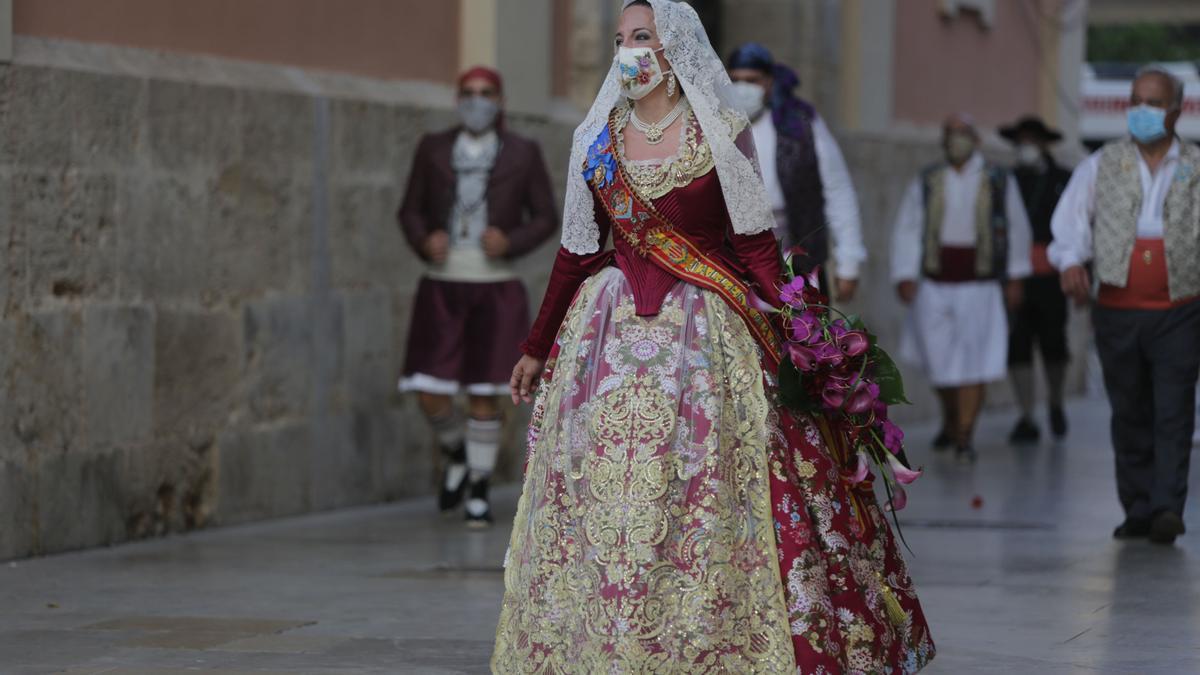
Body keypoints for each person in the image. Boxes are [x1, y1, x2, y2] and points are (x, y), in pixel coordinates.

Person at [492, 1, 934, 671]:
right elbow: (576, 255)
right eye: (619, 40)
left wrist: (801, 334)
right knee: (608, 488)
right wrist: (534, 344)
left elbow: (757, 248)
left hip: (704, 339)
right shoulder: (595, 141)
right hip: (607, 339)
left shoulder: (721, 132)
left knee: (700, 485)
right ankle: (602, 632)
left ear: (675, 50)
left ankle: (703, 634)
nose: (627, 52)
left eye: (641, 38)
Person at [397, 66, 557, 528]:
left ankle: (479, 489)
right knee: (429, 387)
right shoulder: (433, 148)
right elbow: (408, 209)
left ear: (500, 100)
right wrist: (424, 239)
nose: (476, 101)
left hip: (496, 284)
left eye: (485, 93)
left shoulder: (523, 153)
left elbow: (545, 216)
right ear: (456, 99)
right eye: (467, 93)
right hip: (442, 280)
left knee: (485, 391)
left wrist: (511, 240)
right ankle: (457, 454)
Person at [1049, 65, 1200, 546]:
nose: (1141, 110)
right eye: (1135, 100)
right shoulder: (1101, 163)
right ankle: (1137, 507)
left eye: (1152, 103)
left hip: (1180, 308)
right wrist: (1071, 262)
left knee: (1174, 409)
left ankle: (1166, 509)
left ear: (1176, 111)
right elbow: (1070, 222)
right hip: (1116, 306)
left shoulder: (1196, 166)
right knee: (1129, 408)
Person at [890, 114, 1033, 462]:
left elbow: (1016, 228)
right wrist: (905, 272)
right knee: (938, 360)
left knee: (974, 361)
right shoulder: (929, 180)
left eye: (962, 134)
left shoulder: (998, 180)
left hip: (980, 285)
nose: (956, 141)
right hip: (935, 283)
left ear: (976, 140)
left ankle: (965, 433)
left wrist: (1015, 276)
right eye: (949, 134)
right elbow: (909, 227)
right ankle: (951, 417)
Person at [725, 43, 867, 302]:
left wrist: (849, 262)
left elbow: (838, 192)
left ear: (769, 82)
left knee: (802, 337)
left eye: (751, 80)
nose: (742, 88)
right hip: (733, 263)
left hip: (796, 260)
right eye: (734, 80)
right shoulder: (716, 126)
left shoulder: (800, 126)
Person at [998, 115, 1073, 444]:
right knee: (1018, 345)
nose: (1025, 147)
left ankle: (1055, 400)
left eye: (1032, 140)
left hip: (1051, 277)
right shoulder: (1008, 180)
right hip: (1017, 276)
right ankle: (1026, 414)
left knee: (1054, 342)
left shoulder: (1063, 180)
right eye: (1021, 141)